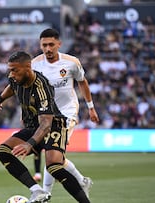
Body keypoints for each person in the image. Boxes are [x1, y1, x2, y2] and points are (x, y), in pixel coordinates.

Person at [0, 51, 91, 203]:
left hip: (54, 125)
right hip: (33, 125)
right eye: (10, 70)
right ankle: (37, 190)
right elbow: (11, 87)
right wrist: (0, 100)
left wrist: (29, 143)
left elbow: (46, 124)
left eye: (14, 70)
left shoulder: (41, 86)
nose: (11, 74)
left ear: (28, 67)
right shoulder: (16, 79)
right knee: (3, 151)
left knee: (53, 166)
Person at [31, 28, 100, 199]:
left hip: (67, 113)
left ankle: (45, 194)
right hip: (46, 115)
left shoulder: (71, 62)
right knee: (57, 157)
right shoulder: (34, 64)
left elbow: (82, 83)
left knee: (51, 152)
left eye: (51, 45)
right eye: (44, 45)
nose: (48, 49)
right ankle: (82, 180)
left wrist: (90, 107)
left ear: (59, 44)